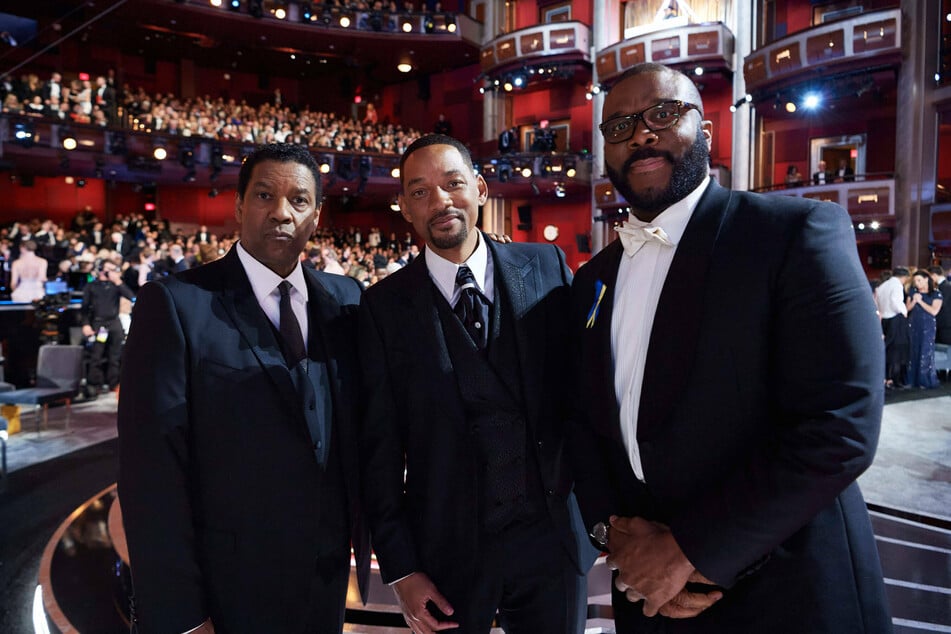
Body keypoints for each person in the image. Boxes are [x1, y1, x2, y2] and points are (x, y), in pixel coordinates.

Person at [570, 63, 890, 633]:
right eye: (618, 126)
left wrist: (690, 550)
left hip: (786, 590)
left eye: (662, 115)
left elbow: (840, 425)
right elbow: (585, 422)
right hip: (647, 595)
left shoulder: (793, 232)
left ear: (708, 131)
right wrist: (613, 537)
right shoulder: (593, 278)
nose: (641, 134)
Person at [117, 143, 369, 634]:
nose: (281, 212)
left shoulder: (347, 299)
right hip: (226, 588)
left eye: (299, 200)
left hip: (325, 580)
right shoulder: (174, 304)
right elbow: (151, 475)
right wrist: (182, 617)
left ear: (316, 217)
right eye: (264, 195)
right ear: (237, 206)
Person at [359, 134, 593, 634]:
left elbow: (586, 399)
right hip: (445, 550)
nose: (440, 200)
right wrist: (401, 568)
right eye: (420, 192)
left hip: (550, 542)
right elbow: (378, 451)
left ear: (482, 189)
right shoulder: (380, 308)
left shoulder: (547, 266)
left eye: (453, 183)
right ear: (403, 208)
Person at [81, 260, 135, 397]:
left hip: (114, 322)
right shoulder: (92, 286)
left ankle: (115, 383)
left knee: (116, 356)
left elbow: (131, 296)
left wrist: (118, 281)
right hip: (100, 324)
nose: (110, 272)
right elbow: (85, 308)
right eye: (108, 269)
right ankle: (94, 384)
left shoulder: (115, 286)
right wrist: (86, 324)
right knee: (96, 356)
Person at [905, 269, 943, 388]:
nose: (917, 283)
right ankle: (911, 380)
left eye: (919, 280)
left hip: (927, 326)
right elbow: (906, 309)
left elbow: (934, 311)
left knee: (925, 351)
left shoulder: (936, 293)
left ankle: (924, 380)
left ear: (926, 279)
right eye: (915, 281)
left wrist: (920, 302)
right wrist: (914, 300)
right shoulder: (913, 292)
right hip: (913, 324)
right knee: (912, 350)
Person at [876, 267, 911, 388]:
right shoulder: (897, 285)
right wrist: (904, 311)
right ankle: (895, 379)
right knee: (897, 350)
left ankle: (885, 377)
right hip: (896, 319)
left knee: (887, 349)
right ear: (905, 277)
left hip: (885, 319)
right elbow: (896, 301)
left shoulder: (882, 286)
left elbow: (878, 302)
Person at [928, 265, 951, 344]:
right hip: (941, 324)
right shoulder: (942, 286)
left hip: (945, 325)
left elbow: (942, 304)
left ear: (934, 275)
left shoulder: (946, 287)